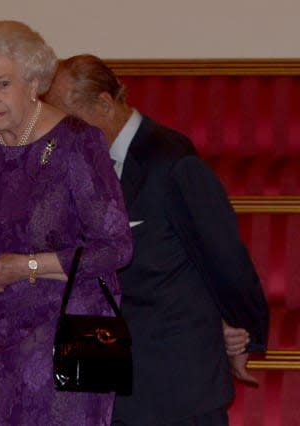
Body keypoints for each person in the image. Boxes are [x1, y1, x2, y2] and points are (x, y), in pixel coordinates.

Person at [45, 54, 269, 426]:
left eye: (67, 119)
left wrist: (245, 334)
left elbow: (224, 257)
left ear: (104, 103)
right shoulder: (70, 165)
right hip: (92, 368)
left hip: (169, 383)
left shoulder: (171, 162)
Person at [0, 22, 133, 425]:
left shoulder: (78, 142)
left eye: (2, 84)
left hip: (78, 331)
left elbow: (117, 247)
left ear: (33, 82)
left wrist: (26, 266)